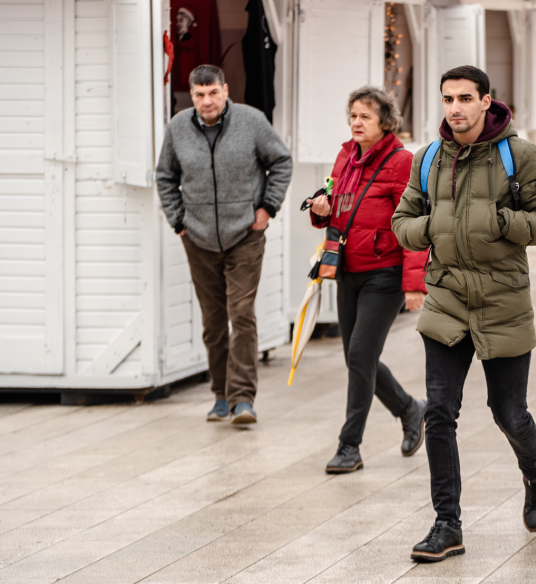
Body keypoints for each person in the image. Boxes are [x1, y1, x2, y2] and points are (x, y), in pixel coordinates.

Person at [392, 66, 536, 563]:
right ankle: (446, 524)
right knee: (440, 412)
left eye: (465, 98)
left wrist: (501, 221)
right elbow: (402, 221)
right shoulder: (428, 158)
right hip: (446, 298)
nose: (455, 108)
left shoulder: (518, 155)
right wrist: (429, 228)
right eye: (448, 98)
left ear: (486, 101)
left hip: (503, 300)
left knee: (508, 412)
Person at [156, 65, 293, 425]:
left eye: (213, 93)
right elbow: (165, 176)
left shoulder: (252, 121)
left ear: (225, 90)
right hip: (198, 238)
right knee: (213, 322)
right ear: (192, 95)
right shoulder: (177, 128)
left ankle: (243, 399)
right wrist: (178, 220)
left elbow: (281, 162)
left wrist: (267, 208)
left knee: (241, 314)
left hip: (244, 234)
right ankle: (220, 395)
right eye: (199, 95)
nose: (207, 101)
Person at [308, 86, 428, 473]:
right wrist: (322, 210)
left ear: (385, 123)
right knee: (357, 357)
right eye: (353, 116)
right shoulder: (345, 156)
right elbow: (338, 203)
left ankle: (349, 446)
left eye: (365, 117)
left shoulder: (401, 162)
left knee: (360, 356)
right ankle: (411, 409)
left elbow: (413, 224)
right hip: (348, 269)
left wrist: (414, 283)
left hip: (385, 273)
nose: (356, 123)